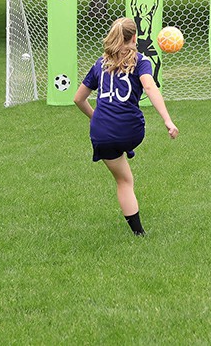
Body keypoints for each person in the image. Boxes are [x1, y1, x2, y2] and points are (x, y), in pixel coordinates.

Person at [74, 17, 179, 236]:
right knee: (125, 166)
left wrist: (95, 118)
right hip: (132, 131)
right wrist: (168, 121)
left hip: (101, 133)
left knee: (123, 181)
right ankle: (126, 146)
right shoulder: (141, 61)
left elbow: (78, 99)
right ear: (134, 38)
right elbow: (149, 87)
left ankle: (138, 233)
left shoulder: (99, 64)